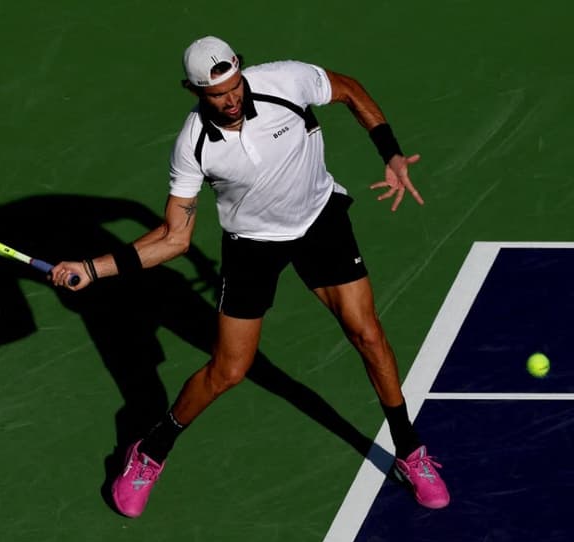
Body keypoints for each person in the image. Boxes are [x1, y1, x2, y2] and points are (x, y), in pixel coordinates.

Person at [50, 35, 450, 516]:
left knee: (367, 333)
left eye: (235, 85)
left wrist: (390, 152)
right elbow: (174, 238)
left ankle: (409, 451)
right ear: (194, 91)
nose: (232, 98)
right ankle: (150, 451)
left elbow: (348, 90)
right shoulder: (192, 145)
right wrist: (94, 269)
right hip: (251, 247)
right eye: (218, 94)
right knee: (229, 370)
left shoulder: (286, 80)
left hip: (320, 221)